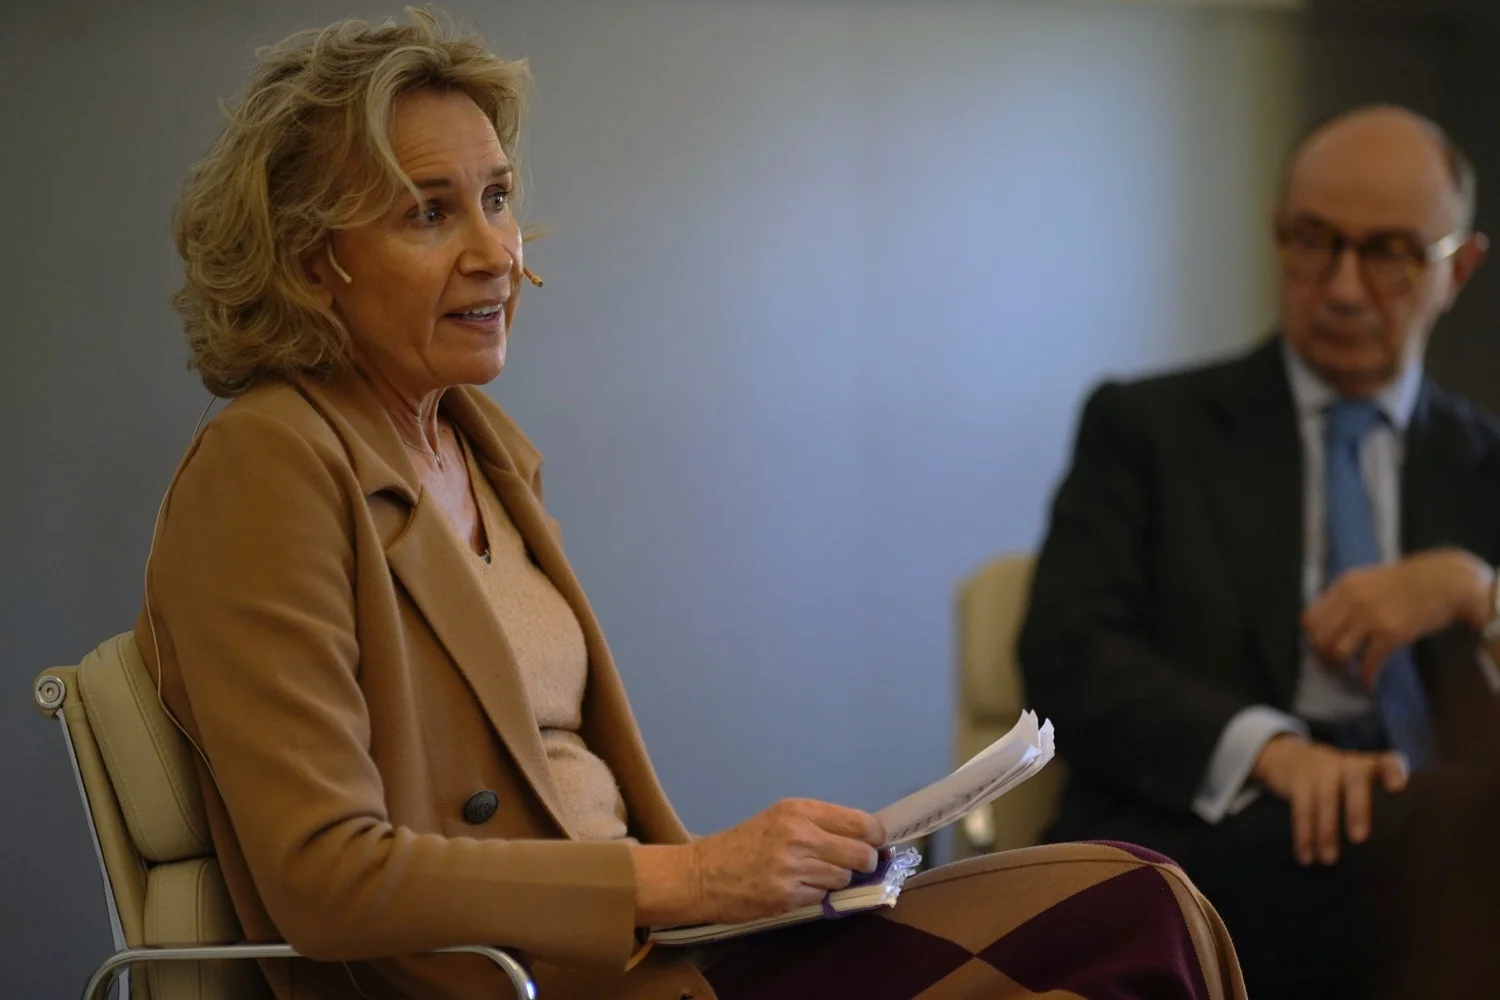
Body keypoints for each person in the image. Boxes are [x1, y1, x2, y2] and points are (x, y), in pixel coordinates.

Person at [138, 10, 1247, 1000]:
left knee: (1137, 906)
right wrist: (693, 876)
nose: (495, 252)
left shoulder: (484, 451)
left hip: (670, 948)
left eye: (499, 197)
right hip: (531, 979)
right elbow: (324, 876)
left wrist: (737, 884)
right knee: (1128, 916)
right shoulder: (266, 464)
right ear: (311, 262)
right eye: (428, 213)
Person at [1019, 104, 1500, 1000]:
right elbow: (1066, 656)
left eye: (1390, 254)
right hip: (1205, 849)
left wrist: (1479, 593)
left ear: (1458, 270)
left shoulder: (1486, 465)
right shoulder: (1147, 428)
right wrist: (1271, 751)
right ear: (1279, 236)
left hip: (1436, 855)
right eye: (1314, 241)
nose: (1344, 289)